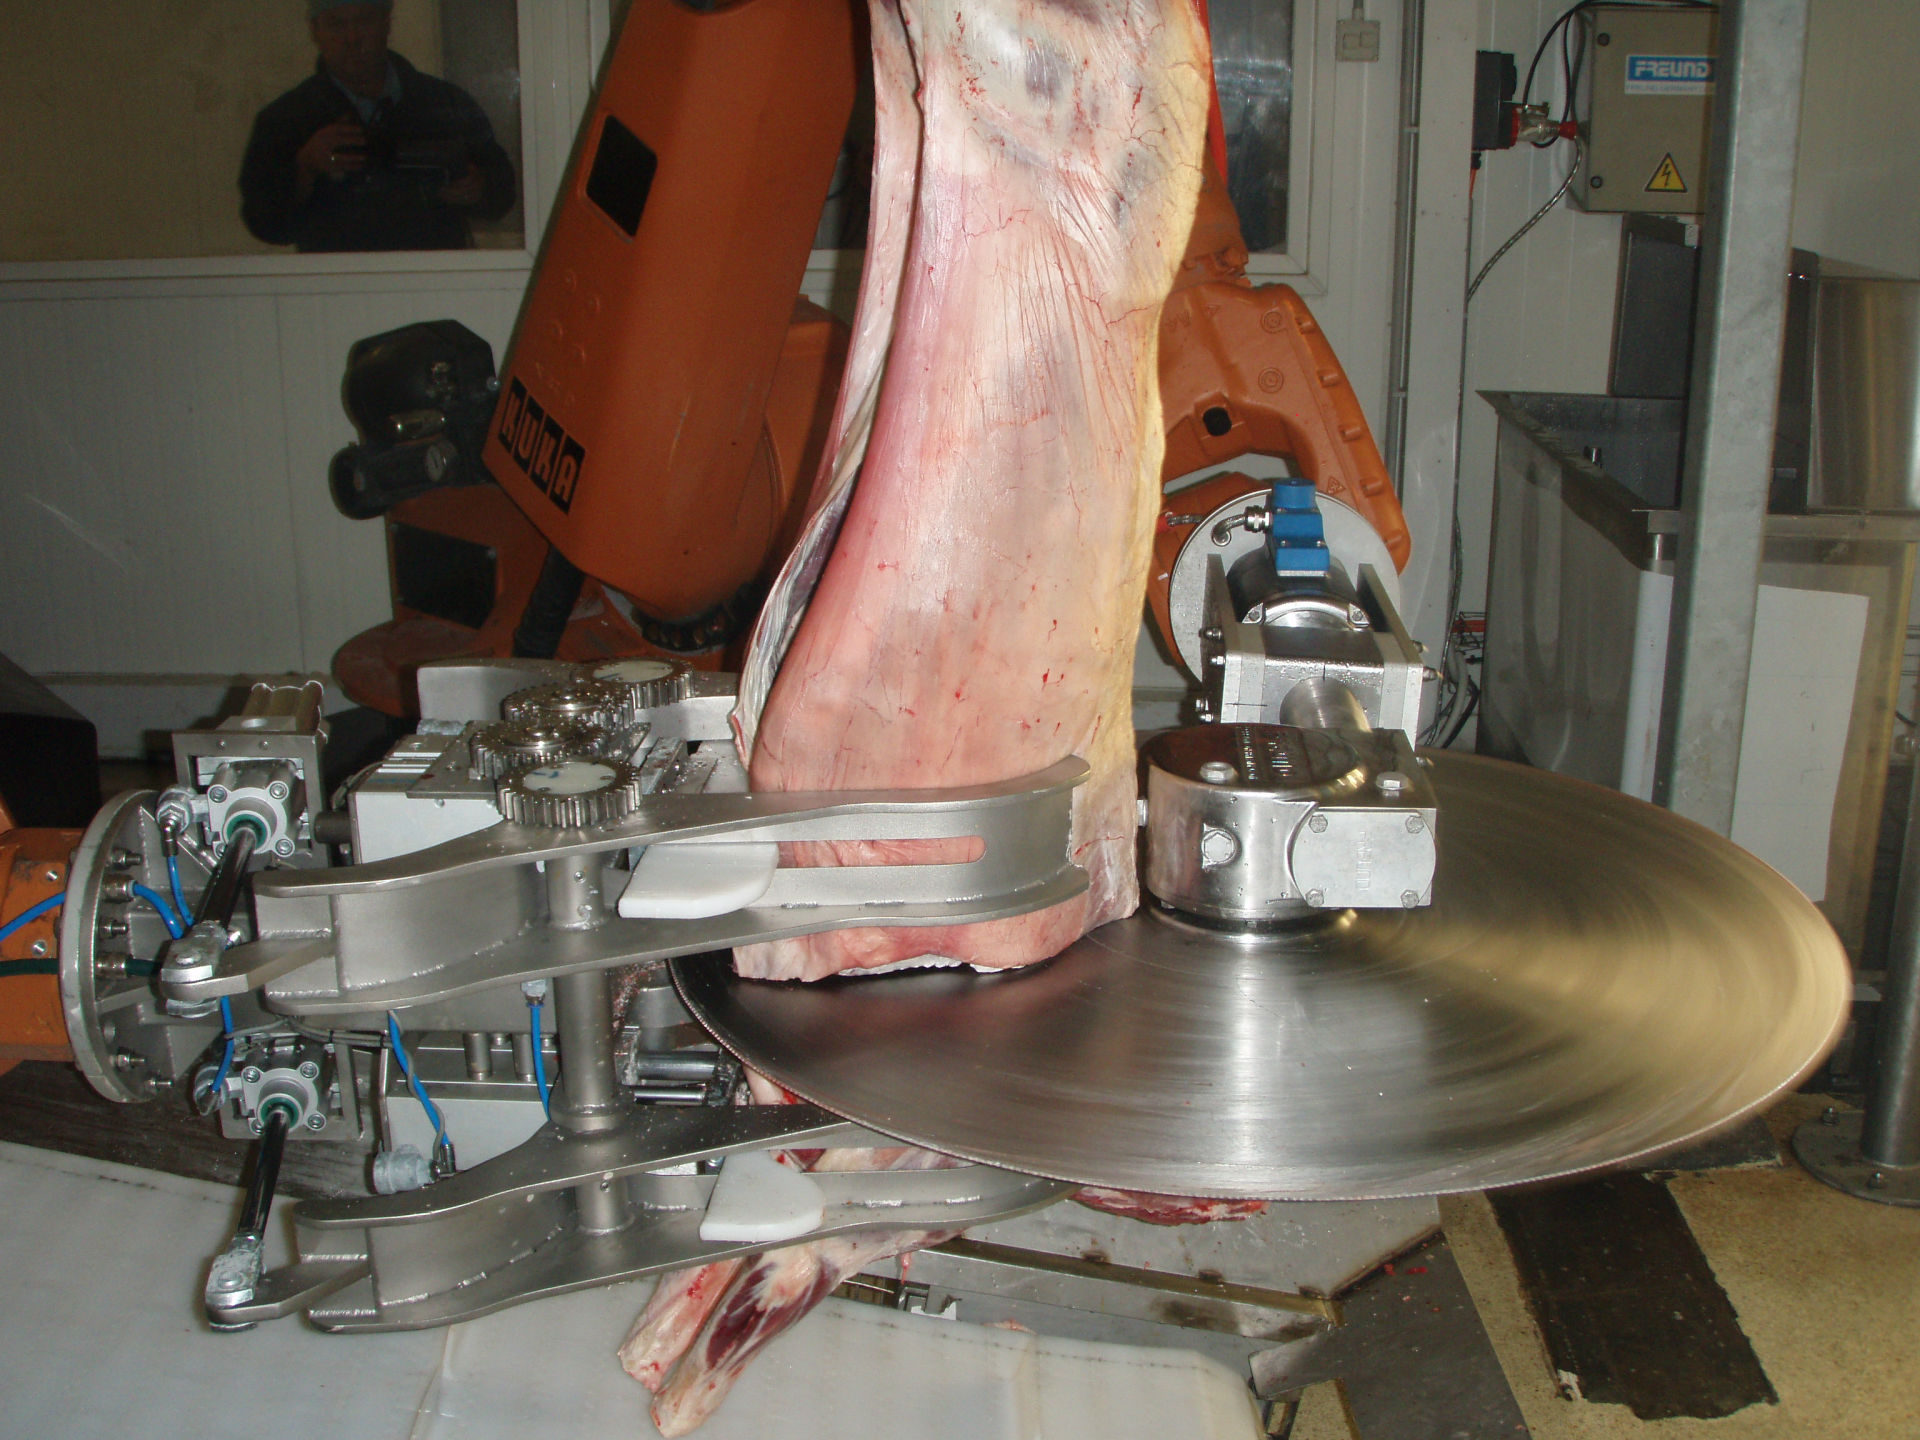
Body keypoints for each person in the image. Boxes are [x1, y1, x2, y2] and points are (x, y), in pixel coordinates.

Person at [240, 0, 515, 252]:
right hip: (335, 285)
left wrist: (476, 188)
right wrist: (305, 168)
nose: (352, 38)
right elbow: (265, 225)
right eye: (336, 24)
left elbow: (503, 194)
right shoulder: (286, 118)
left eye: (364, 21)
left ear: (386, 23)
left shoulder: (445, 103)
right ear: (315, 30)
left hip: (434, 280)